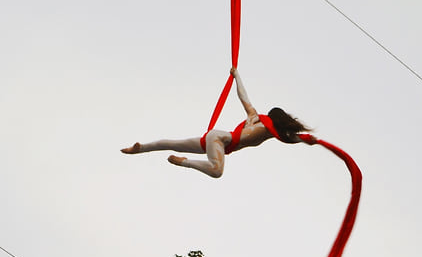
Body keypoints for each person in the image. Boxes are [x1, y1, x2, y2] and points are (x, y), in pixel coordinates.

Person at [121, 68, 312, 178]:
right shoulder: (270, 129)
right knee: (216, 171)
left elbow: (243, 96)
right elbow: (290, 137)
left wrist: (237, 75)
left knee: (172, 143)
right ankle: (184, 163)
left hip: (217, 139)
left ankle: (140, 148)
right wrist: (306, 140)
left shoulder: (254, 117)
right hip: (220, 140)